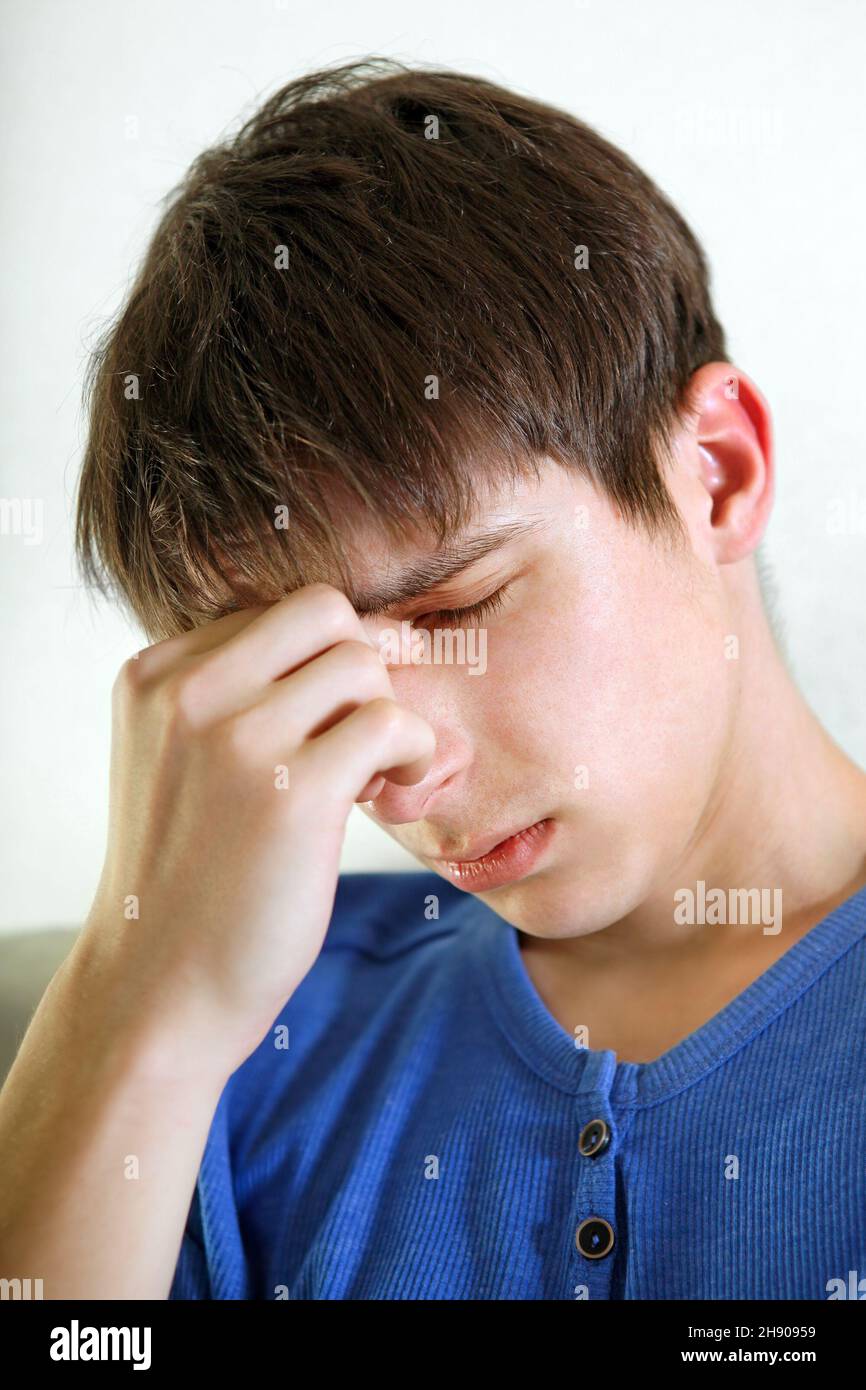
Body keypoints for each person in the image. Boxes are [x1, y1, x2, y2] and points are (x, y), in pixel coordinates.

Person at [2, 57, 865, 1301]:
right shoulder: (237, 1046)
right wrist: (137, 1002)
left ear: (716, 473)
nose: (396, 768)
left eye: (454, 606)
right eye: (303, 677)